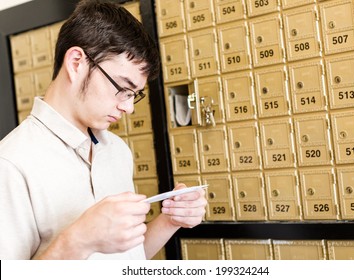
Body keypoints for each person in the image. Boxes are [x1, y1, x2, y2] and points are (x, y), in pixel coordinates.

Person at [0, 0, 207, 260]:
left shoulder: (117, 151)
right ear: (77, 62)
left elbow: (127, 260)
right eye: (122, 88)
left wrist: (170, 220)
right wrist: (77, 240)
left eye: (134, 95)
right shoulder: (10, 164)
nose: (129, 107)